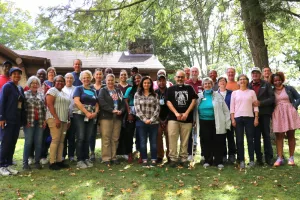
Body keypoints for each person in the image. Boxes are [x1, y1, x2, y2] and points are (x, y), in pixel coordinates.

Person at [195, 78, 230, 169]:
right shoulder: (199, 96)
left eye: (209, 83)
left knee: (218, 141)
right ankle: (207, 160)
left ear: (212, 84)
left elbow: (226, 110)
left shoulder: (218, 96)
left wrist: (227, 123)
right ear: (203, 86)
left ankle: (218, 161)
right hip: (203, 122)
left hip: (216, 121)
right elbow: (195, 110)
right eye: (205, 84)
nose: (207, 85)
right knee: (206, 141)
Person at [166, 70, 198, 168]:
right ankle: (173, 159)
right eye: (178, 77)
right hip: (173, 119)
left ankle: (184, 159)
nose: (180, 79)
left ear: (185, 78)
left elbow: (194, 100)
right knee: (172, 138)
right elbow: (168, 102)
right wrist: (176, 113)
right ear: (175, 78)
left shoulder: (189, 88)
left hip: (186, 119)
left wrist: (186, 113)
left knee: (185, 140)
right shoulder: (170, 89)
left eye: (182, 77)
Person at [270, 72, 300, 166]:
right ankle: (280, 158)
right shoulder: (271, 91)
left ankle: (291, 158)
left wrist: (294, 106)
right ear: (272, 81)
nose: (277, 82)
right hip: (278, 114)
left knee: (291, 135)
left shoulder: (289, 88)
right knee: (279, 136)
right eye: (275, 80)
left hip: (290, 113)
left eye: (278, 80)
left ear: (282, 79)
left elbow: (298, 97)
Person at [0, 67, 26, 176]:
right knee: (6, 142)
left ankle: (9, 164)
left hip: (17, 120)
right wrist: (1, 117)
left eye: (18, 74)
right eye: (14, 74)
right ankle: (2, 165)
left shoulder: (20, 88)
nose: (17, 76)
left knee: (13, 142)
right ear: (10, 76)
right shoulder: (7, 86)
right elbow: (1, 101)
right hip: (7, 119)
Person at [230, 74, 259, 169]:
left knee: (250, 140)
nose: (242, 81)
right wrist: (233, 119)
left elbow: (255, 106)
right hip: (238, 118)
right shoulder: (234, 93)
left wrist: (256, 117)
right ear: (238, 82)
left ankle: (251, 160)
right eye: (240, 79)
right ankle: (241, 160)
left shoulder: (251, 92)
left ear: (247, 81)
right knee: (239, 140)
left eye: (244, 79)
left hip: (249, 118)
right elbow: (232, 107)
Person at [249, 67, 274, 166]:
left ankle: (269, 158)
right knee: (256, 136)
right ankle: (259, 158)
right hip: (252, 114)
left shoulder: (266, 84)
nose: (255, 75)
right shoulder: (248, 85)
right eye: (253, 73)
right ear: (251, 75)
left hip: (264, 113)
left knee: (266, 136)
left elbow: (272, 98)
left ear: (260, 74)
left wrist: (261, 103)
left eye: (257, 73)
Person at [73, 70, 99, 169]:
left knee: (88, 137)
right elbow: (77, 101)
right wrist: (86, 112)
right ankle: (80, 159)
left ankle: (86, 158)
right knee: (80, 137)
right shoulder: (78, 88)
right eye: (84, 77)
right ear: (81, 79)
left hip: (91, 116)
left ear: (91, 78)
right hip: (80, 115)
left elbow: (96, 103)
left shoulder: (93, 90)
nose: (86, 79)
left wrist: (95, 113)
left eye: (88, 77)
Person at [98, 74, 125, 166]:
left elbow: (122, 103)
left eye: (112, 80)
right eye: (108, 80)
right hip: (106, 116)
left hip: (117, 117)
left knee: (115, 138)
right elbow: (101, 102)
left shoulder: (118, 90)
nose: (110, 82)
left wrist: (121, 111)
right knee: (106, 137)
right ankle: (106, 158)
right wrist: (112, 110)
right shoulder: (103, 90)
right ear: (105, 81)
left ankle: (113, 157)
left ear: (114, 81)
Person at [46, 75, 71, 170]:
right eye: (58, 81)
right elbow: (49, 104)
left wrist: (68, 119)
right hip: (54, 119)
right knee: (55, 140)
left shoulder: (64, 93)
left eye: (62, 81)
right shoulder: (52, 91)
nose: (60, 83)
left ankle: (59, 160)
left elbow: (67, 108)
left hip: (64, 120)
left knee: (61, 141)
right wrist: (56, 118)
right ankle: (52, 162)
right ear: (54, 82)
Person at [134, 76, 160, 167]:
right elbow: (137, 109)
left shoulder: (155, 95)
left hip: (154, 122)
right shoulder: (137, 95)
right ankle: (144, 159)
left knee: (153, 142)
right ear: (142, 84)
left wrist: (151, 120)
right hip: (141, 122)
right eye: (145, 83)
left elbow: (157, 109)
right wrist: (145, 120)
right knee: (142, 141)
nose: (146, 84)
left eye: (148, 83)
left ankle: (153, 159)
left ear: (151, 84)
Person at [23, 76, 46, 170]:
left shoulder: (41, 94)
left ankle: (37, 162)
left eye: (36, 83)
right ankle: (25, 164)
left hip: (40, 122)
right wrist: (25, 121)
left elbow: (44, 108)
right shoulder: (25, 94)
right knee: (28, 142)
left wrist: (44, 120)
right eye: (33, 83)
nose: (35, 85)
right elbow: (23, 110)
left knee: (39, 142)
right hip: (29, 122)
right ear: (29, 84)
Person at [185, 66, 202, 161]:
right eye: (193, 71)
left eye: (196, 71)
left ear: (198, 73)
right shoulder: (187, 83)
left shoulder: (202, 83)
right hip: (190, 109)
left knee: (199, 129)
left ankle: (199, 149)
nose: (194, 73)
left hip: (200, 109)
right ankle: (189, 152)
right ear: (190, 73)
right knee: (190, 130)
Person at [123, 74, 142, 163]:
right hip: (131, 112)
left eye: (138, 78)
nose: (137, 80)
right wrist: (129, 112)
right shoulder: (130, 89)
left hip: (141, 113)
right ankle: (129, 154)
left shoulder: (144, 90)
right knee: (129, 134)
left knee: (140, 134)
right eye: (135, 79)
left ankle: (140, 154)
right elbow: (125, 100)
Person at [217, 77, 236, 164]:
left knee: (230, 137)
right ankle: (223, 155)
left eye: (224, 81)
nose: (222, 82)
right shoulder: (215, 94)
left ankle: (232, 155)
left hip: (230, 118)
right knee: (221, 138)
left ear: (226, 83)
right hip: (219, 119)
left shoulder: (231, 93)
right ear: (218, 84)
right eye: (220, 81)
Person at [116, 70, 131, 161]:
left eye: (125, 75)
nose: (123, 76)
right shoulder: (116, 87)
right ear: (119, 76)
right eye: (122, 75)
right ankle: (117, 152)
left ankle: (126, 152)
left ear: (127, 76)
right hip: (118, 112)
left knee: (127, 133)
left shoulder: (130, 87)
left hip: (128, 113)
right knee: (118, 133)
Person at [89, 68, 104, 161]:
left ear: (102, 76)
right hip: (93, 112)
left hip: (104, 113)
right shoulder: (90, 87)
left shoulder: (105, 87)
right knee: (92, 133)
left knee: (104, 134)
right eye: (97, 74)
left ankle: (105, 153)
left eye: (100, 74)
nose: (98, 76)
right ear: (94, 76)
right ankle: (92, 153)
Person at [155, 73, 170, 163]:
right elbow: (153, 107)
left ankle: (169, 156)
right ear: (157, 82)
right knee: (158, 135)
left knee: (169, 135)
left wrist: (166, 120)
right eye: (159, 80)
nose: (161, 82)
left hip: (169, 119)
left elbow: (172, 107)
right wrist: (160, 120)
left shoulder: (170, 91)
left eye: (163, 80)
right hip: (158, 119)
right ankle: (160, 155)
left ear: (166, 81)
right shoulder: (154, 93)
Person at [62, 73, 76, 162]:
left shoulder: (76, 89)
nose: (69, 80)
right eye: (67, 78)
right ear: (65, 79)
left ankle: (71, 155)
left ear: (73, 80)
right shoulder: (61, 89)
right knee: (64, 136)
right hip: (63, 116)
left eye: (71, 78)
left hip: (74, 115)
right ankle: (63, 155)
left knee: (72, 136)